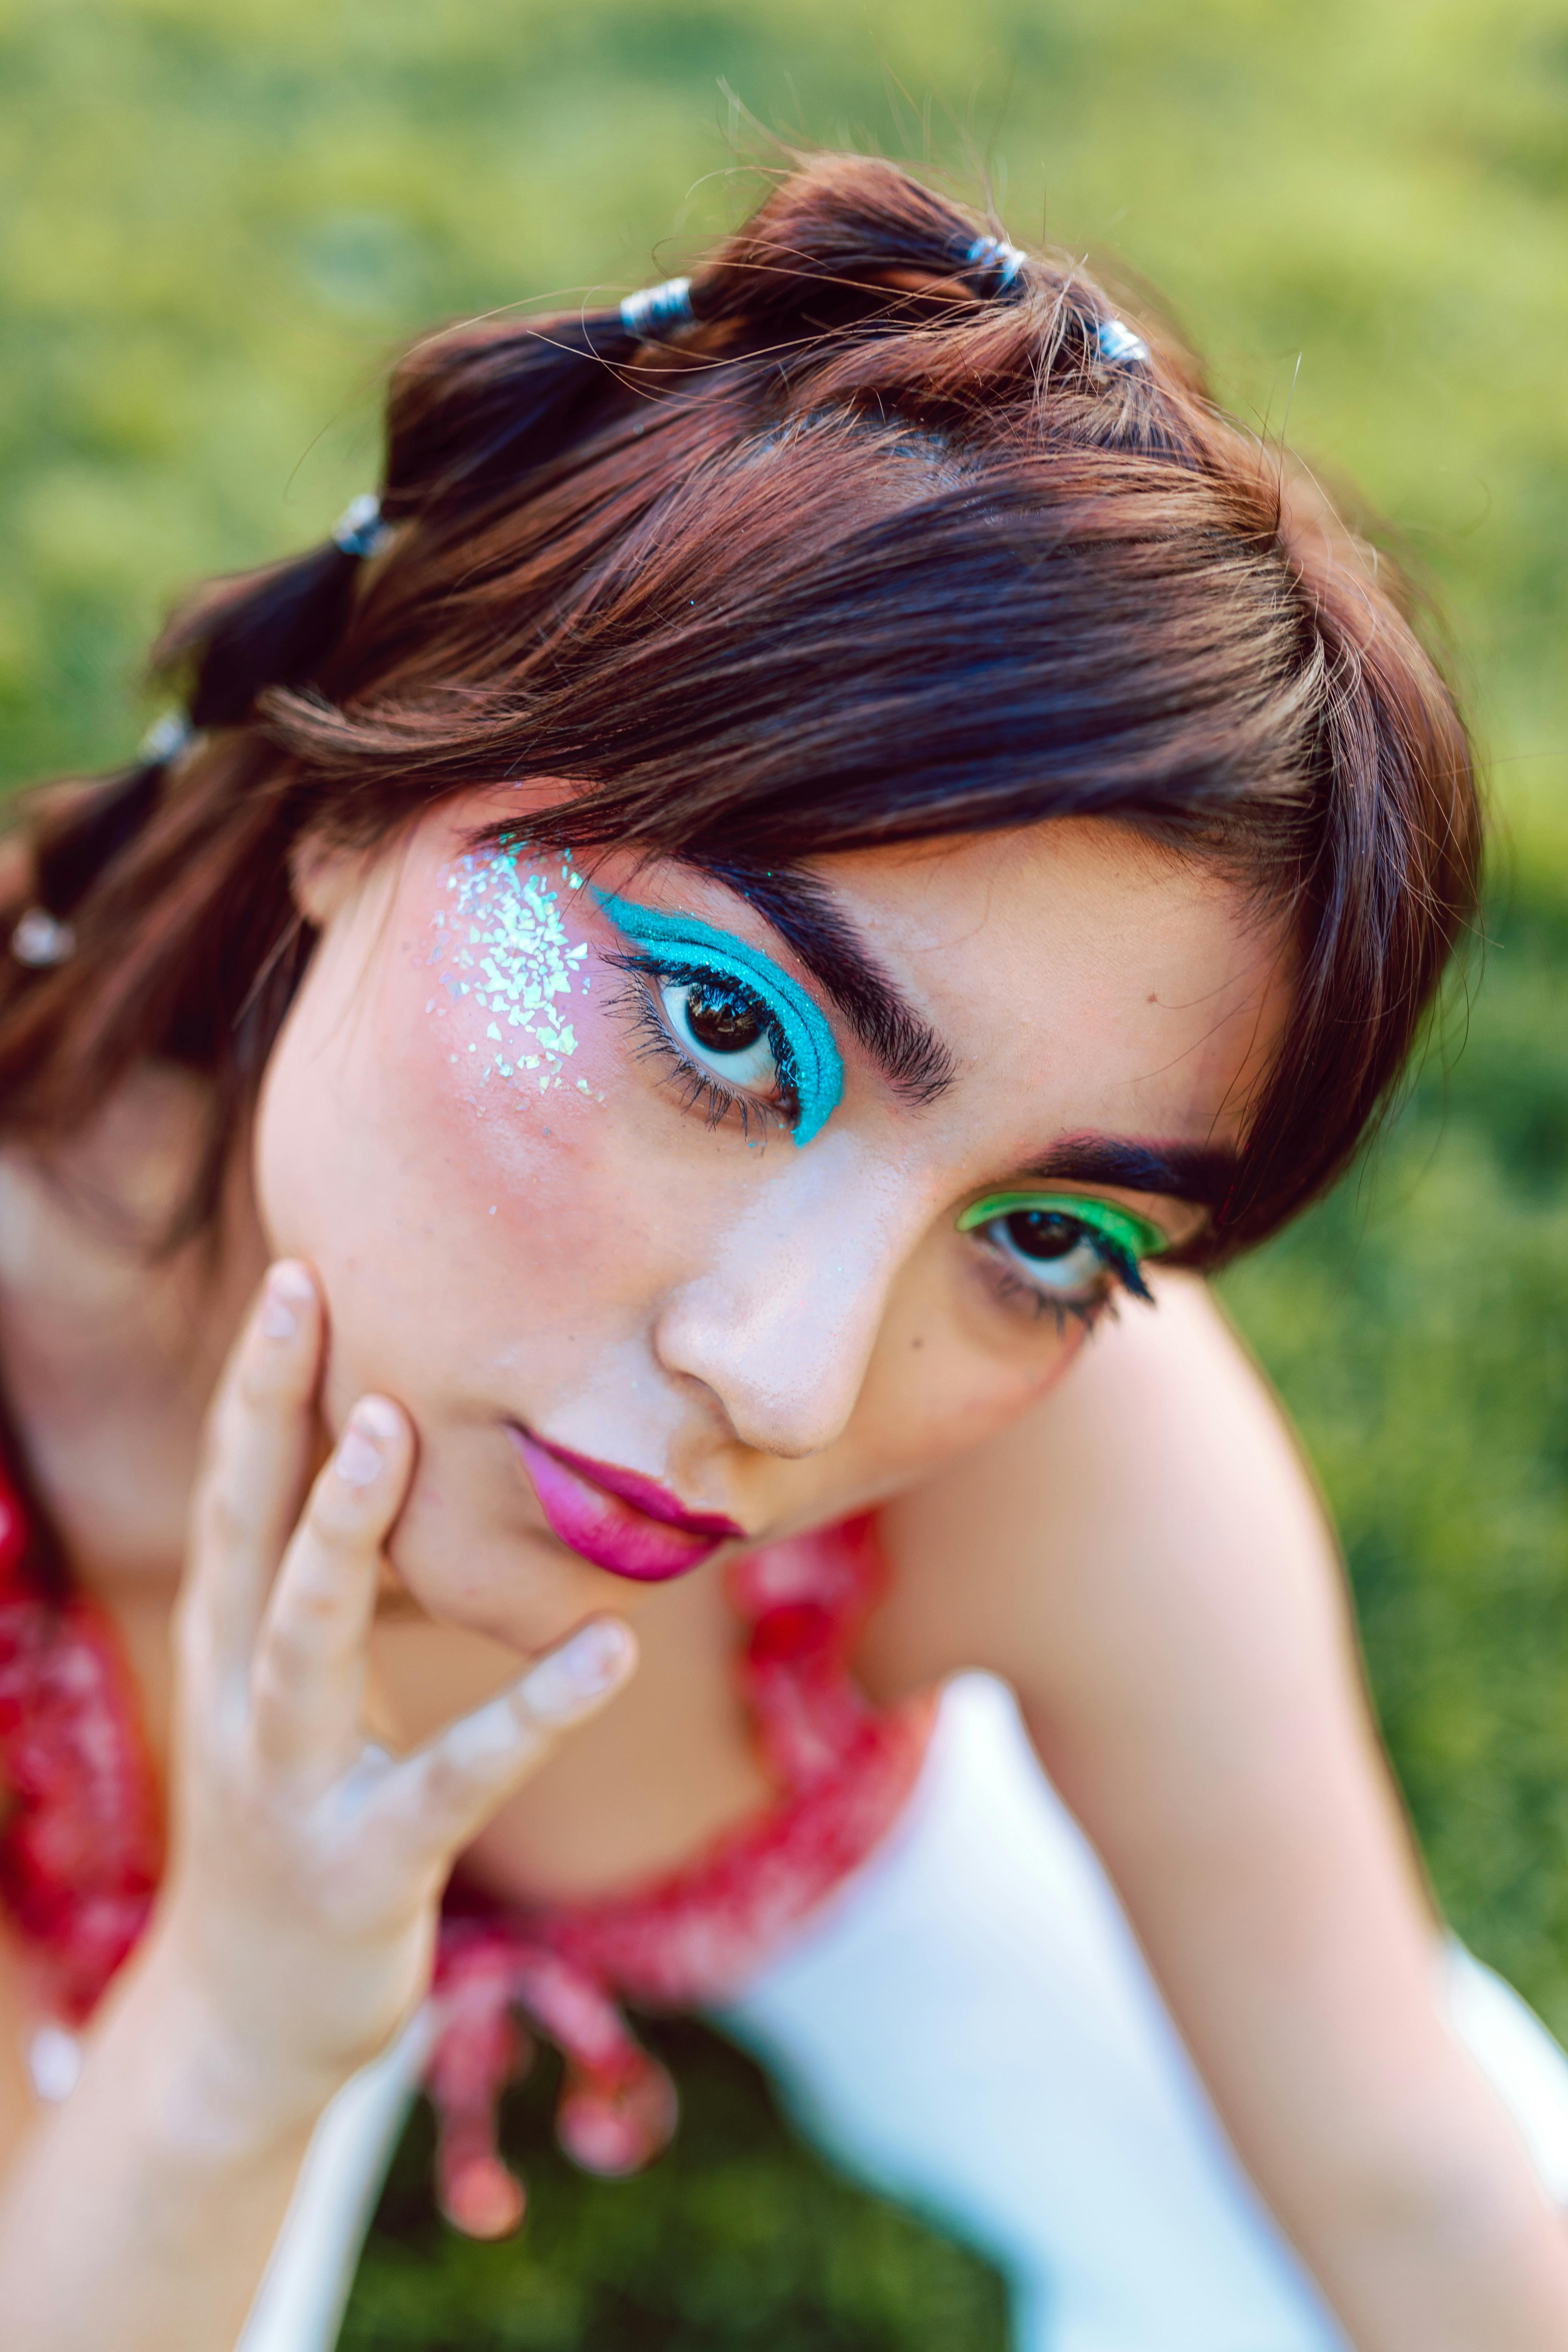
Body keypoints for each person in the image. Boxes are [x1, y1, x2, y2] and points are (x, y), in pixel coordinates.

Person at [0, 152, 1565, 2352]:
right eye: (725, 1025)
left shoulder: (1036, 1445)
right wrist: (246, 2025)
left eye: (1047, 1227)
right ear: (358, 799)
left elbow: (1412, 2181)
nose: (798, 1380)